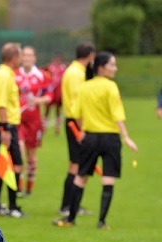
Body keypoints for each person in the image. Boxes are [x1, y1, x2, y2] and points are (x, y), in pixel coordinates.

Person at [54, 51, 138, 229]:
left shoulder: (84, 87)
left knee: (81, 176)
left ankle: (70, 219)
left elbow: (76, 113)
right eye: (112, 65)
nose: (115, 68)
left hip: (90, 137)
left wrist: (83, 129)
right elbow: (117, 114)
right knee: (108, 178)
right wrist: (126, 137)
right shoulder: (110, 87)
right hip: (110, 138)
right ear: (101, 68)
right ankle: (101, 222)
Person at [0, 42, 24, 217]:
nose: (22, 59)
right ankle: (12, 206)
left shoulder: (2, 74)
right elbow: (2, 105)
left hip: (1, 125)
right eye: (21, 55)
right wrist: (6, 129)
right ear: (14, 57)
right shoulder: (4, 76)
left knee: (2, 164)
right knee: (14, 165)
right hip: (4, 125)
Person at [58, 42, 96, 216]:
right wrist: (82, 129)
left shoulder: (77, 71)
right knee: (75, 165)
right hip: (75, 123)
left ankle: (72, 205)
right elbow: (76, 105)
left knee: (77, 165)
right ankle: (67, 206)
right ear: (90, 55)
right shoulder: (75, 73)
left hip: (76, 122)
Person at [14, 46, 53, 196]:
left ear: (34, 58)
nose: (27, 58)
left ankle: (29, 187)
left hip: (34, 121)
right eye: (24, 55)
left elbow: (49, 96)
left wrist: (37, 100)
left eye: (30, 56)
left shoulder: (42, 75)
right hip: (18, 120)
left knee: (31, 156)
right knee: (19, 149)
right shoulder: (15, 75)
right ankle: (19, 186)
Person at [43, 53, 66, 134]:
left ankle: (57, 127)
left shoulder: (62, 68)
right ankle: (44, 126)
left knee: (58, 109)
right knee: (47, 109)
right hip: (51, 90)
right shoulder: (50, 67)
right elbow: (45, 72)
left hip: (58, 90)